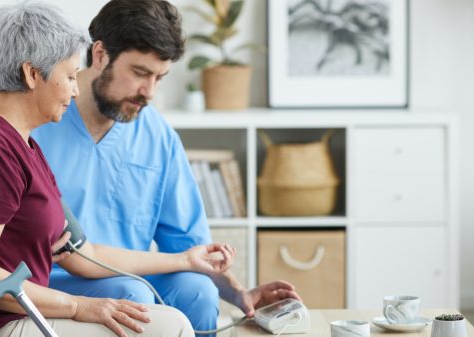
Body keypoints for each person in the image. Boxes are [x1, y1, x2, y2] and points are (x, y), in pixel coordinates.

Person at [0, 2, 235, 337]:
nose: (76, 88)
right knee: (166, 326)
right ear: (32, 74)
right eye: (69, 76)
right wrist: (80, 307)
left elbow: (86, 254)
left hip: (20, 317)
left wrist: (188, 261)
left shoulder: (26, 148)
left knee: (164, 320)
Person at [31, 0, 302, 334]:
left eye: (160, 77)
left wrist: (238, 291)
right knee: (133, 295)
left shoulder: (158, 136)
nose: (149, 92)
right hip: (55, 280)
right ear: (100, 55)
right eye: (140, 73)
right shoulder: (39, 122)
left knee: (199, 293)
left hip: (134, 275)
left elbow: (188, 248)